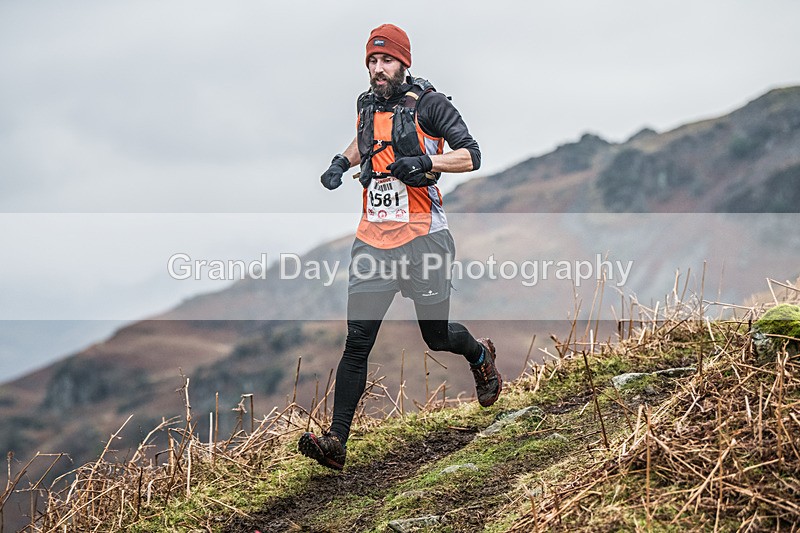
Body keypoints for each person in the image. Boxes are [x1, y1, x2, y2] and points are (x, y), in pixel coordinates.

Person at [298, 23, 502, 471]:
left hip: (424, 239)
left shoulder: (431, 104)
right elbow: (367, 139)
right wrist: (340, 161)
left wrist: (427, 161)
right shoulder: (366, 104)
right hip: (373, 240)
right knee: (357, 342)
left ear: (403, 62)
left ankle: (480, 355)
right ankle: (336, 441)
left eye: (385, 60)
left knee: (435, 335)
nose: (377, 68)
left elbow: (472, 154)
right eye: (371, 61)